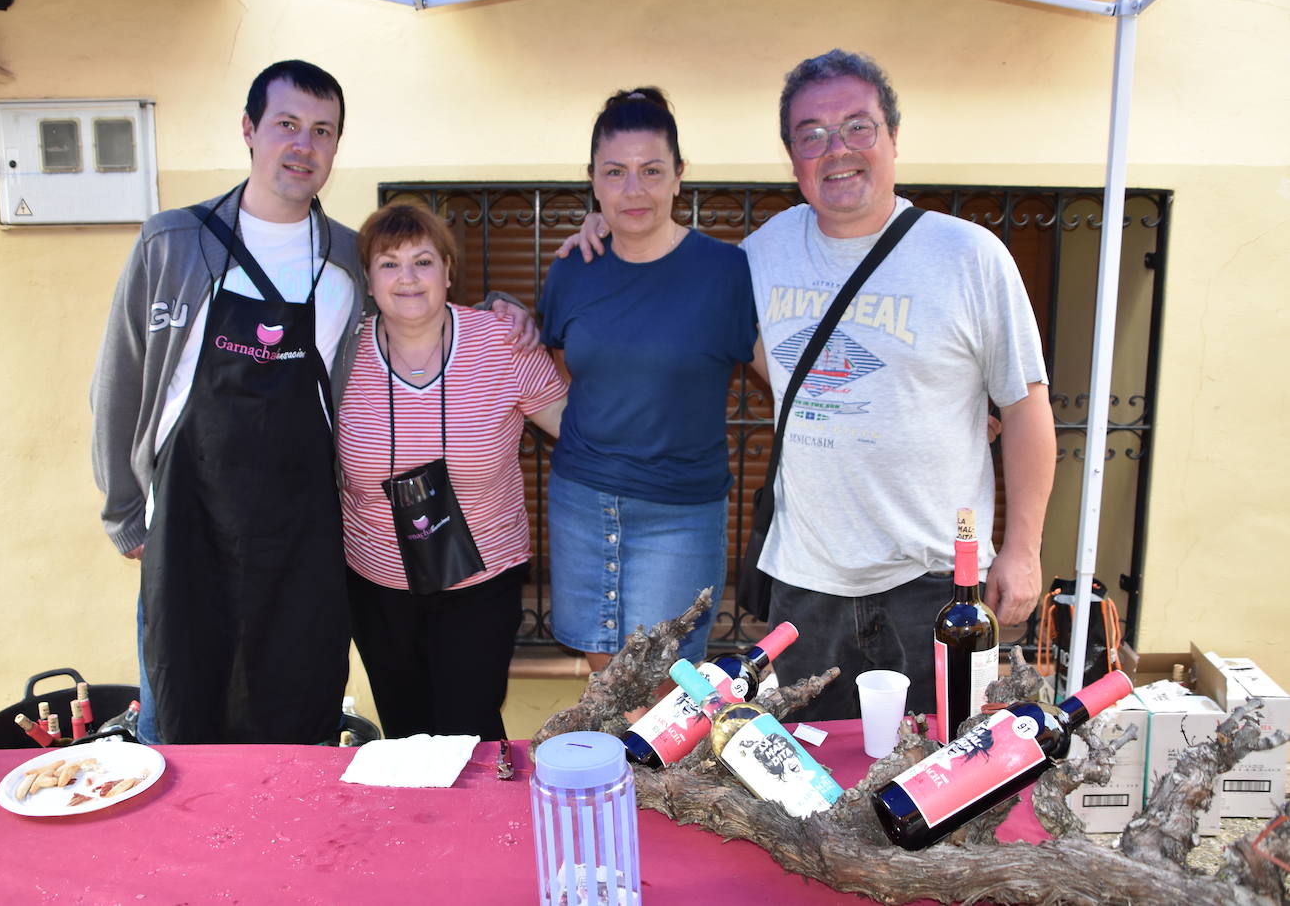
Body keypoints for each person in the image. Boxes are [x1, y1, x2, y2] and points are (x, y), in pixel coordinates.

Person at [562, 52, 1055, 722]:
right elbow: (663, 273)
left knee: (947, 771)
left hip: (933, 579)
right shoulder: (760, 254)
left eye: (858, 128)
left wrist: (1023, 549)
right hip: (804, 585)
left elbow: (1026, 408)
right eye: (812, 135)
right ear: (792, 157)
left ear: (893, 138)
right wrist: (605, 225)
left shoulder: (969, 257)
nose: (836, 150)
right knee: (814, 789)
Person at [90, 61, 534, 744]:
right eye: (287, 125)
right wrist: (125, 512)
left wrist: (506, 313)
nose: (304, 145)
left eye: (322, 131)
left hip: (304, 540)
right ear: (249, 130)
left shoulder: (349, 263)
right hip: (186, 531)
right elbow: (119, 383)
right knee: (181, 724)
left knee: (298, 730)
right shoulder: (173, 244)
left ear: (335, 147)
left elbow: (419, 308)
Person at [539, 89, 760, 674]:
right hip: (582, 500)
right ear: (592, 180)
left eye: (651, 171)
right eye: (615, 172)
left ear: (679, 177)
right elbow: (567, 376)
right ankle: (611, 772)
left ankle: (661, 773)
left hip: (680, 512)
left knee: (665, 682)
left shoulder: (726, 271)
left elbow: (786, 376)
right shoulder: (571, 268)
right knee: (605, 681)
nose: (633, 190)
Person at [339, 202, 568, 741]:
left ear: (448, 269)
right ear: (368, 282)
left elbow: (574, 429)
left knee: (470, 732)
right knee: (405, 731)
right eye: (389, 264)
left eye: (423, 261)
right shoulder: (341, 353)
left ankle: (477, 828)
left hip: (483, 578)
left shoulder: (501, 341)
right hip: (377, 584)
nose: (408, 278)